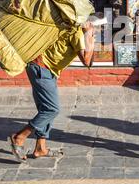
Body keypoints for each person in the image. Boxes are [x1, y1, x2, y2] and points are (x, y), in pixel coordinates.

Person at [8, 22, 95, 162]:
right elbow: (87, 60)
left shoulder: (70, 26)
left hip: (44, 68)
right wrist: (89, 34)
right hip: (42, 68)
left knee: (45, 109)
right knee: (51, 110)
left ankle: (40, 148)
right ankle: (20, 137)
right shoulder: (77, 32)